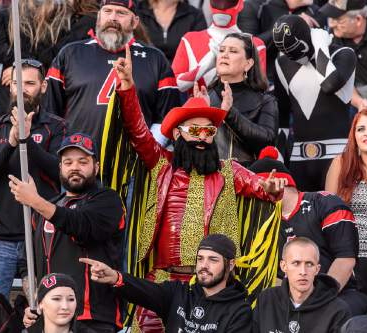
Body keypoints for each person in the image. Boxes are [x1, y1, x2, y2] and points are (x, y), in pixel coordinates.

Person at [114, 44, 284, 332]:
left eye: (209, 131)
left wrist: (271, 187)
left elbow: (263, 189)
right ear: (179, 133)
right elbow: (138, 132)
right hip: (163, 281)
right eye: (195, 130)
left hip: (209, 288)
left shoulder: (230, 171)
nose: (203, 137)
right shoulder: (161, 166)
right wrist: (129, 88)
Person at [10, 133, 124, 332]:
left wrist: (35, 201)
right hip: (50, 320)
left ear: (96, 167)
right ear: (60, 168)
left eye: (83, 161)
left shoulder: (108, 200)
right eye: (68, 162)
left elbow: (81, 226)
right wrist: (36, 303)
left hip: (93, 319)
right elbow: (26, 263)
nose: (75, 167)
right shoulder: (46, 207)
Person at [0, 58, 65, 300]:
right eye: (17, 83)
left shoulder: (57, 127)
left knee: (44, 310)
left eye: (29, 83)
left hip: (41, 236)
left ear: (44, 86)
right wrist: (12, 143)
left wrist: (28, 143)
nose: (22, 89)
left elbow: (62, 173)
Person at [44, 0, 180, 150]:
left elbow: (167, 116)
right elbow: (50, 111)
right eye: (107, 11)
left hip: (134, 164)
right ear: (98, 17)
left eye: (121, 13)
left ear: (135, 22)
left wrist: (148, 151)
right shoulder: (70, 54)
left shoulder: (155, 59)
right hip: (80, 160)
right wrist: (65, 152)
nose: (113, 18)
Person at [249, 146, 367, 315]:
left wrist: (317, 300)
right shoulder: (263, 222)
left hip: (339, 294)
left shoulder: (325, 203)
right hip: (294, 299)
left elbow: (345, 260)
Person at [81, 234, 252, 333]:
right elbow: (143, 290)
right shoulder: (179, 292)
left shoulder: (239, 311)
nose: (204, 266)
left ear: (230, 265)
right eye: (200, 259)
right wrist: (114, 277)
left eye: (213, 260)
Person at [272, 14, 356, 191]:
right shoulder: (282, 64)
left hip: (337, 156)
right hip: (300, 160)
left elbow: (329, 84)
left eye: (295, 48)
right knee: (301, 216)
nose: (292, 56)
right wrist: (278, 160)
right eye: (286, 51)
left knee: (336, 214)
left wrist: (320, 44)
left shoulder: (343, 54)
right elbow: (282, 117)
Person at [325, 109, 367, 298]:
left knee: (351, 274)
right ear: (354, 136)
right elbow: (326, 212)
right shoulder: (341, 164)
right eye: (360, 129)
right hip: (343, 252)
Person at [195, 32, 277, 164]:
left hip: (247, 178)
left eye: (233, 51)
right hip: (208, 178)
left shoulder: (265, 101)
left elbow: (267, 142)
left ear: (248, 64)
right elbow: (184, 146)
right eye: (221, 50)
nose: (224, 55)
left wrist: (229, 112)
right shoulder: (205, 96)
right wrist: (198, 114)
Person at [253, 237, 351, 333]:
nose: (303, 272)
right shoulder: (267, 299)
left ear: (317, 269)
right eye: (296, 263)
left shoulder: (338, 310)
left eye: (309, 264)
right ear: (283, 266)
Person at [172, 0, 267, 94]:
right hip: (200, 107)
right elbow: (174, 84)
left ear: (241, 3)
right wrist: (205, 66)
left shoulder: (255, 44)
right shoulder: (190, 39)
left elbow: (259, 89)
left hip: (242, 107)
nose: (222, 7)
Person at [320, 0, 367, 116]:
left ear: (358, 20)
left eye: (338, 20)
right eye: (331, 19)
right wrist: (359, 102)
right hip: (355, 100)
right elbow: (338, 79)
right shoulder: (335, 34)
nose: (332, 25)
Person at [238, 0, 326, 81]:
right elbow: (247, 48)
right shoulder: (255, 5)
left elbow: (324, 46)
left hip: (305, 77)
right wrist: (287, 26)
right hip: (267, 80)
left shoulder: (315, 10)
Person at [136, 0, 207, 63]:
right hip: (146, 70)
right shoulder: (138, 12)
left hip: (180, 73)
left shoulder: (195, 15)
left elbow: (200, 53)